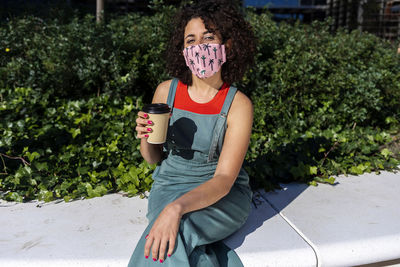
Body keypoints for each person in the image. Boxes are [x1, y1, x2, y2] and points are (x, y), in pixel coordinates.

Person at [128, 0, 256, 266]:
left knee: (175, 232)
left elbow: (223, 180)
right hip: (170, 185)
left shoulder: (238, 104)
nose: (199, 47)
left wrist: (176, 209)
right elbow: (153, 159)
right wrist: (144, 136)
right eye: (191, 40)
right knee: (174, 237)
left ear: (227, 46)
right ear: (183, 50)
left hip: (224, 195)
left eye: (208, 38)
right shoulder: (166, 91)